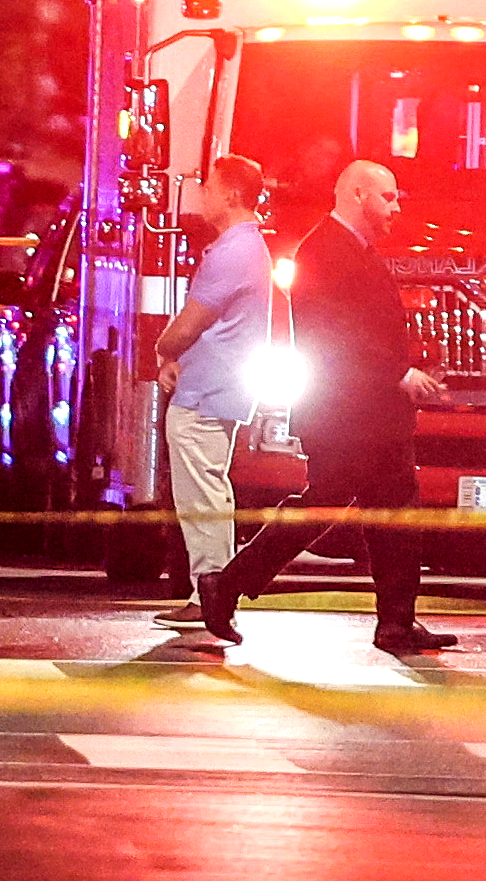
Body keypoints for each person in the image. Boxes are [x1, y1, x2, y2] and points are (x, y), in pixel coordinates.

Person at [200, 160, 457, 656]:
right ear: (358, 195)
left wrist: (411, 364)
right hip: (347, 414)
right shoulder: (325, 250)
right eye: (389, 198)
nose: (396, 209)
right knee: (332, 506)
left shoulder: (354, 250)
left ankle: (396, 623)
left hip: (370, 414)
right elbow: (338, 333)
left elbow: (368, 328)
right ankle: (226, 585)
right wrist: (397, 373)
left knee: (392, 512)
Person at [150, 155, 271, 629]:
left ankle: (210, 594)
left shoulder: (233, 251)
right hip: (218, 385)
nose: (202, 194)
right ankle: (215, 592)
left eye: (209, 187)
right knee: (211, 492)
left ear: (231, 195)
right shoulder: (247, 248)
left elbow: (189, 323)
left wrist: (163, 349)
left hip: (205, 392)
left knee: (201, 497)